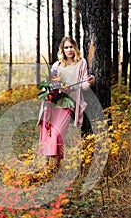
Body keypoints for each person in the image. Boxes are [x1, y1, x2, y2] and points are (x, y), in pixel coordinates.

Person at [37, 36, 95, 170]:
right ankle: (48, 168)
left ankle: (52, 168)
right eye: (66, 47)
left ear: (75, 47)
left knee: (57, 133)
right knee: (48, 132)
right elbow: (50, 83)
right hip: (53, 102)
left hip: (68, 102)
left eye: (71, 47)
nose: (69, 50)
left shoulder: (81, 62)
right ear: (62, 50)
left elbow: (85, 85)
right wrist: (49, 91)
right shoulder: (57, 65)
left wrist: (90, 80)